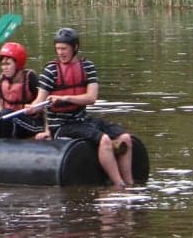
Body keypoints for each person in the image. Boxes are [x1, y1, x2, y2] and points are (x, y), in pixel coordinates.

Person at [33, 26, 136, 189]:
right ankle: (119, 186)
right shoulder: (50, 71)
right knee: (104, 140)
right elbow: (38, 103)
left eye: (64, 49)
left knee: (126, 138)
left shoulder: (88, 67)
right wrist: (32, 111)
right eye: (58, 48)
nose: (60, 53)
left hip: (82, 120)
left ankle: (130, 183)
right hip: (61, 126)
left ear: (75, 48)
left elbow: (91, 98)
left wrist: (65, 98)